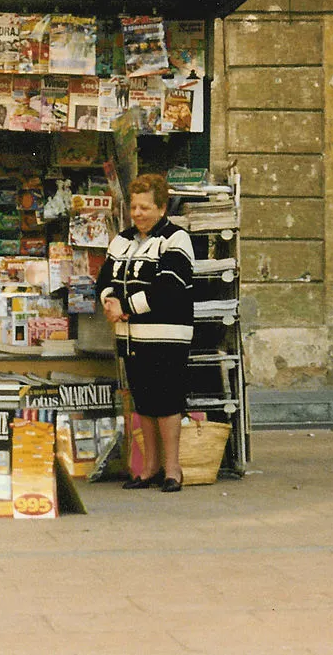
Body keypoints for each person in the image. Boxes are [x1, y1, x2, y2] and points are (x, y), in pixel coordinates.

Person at [96, 173, 195, 493]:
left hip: (165, 334)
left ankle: (173, 469)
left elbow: (169, 287)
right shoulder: (121, 240)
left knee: (167, 402)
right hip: (130, 335)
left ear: (162, 208)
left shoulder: (176, 238)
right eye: (134, 208)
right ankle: (149, 467)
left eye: (145, 208)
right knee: (144, 401)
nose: (138, 214)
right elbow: (105, 279)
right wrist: (110, 303)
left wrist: (125, 306)